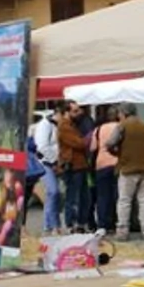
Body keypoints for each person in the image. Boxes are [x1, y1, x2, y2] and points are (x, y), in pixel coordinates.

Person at [106, 102, 144, 241]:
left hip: (127, 168)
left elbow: (110, 143)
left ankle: (123, 232)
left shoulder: (122, 126)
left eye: (119, 113)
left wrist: (116, 153)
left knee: (124, 201)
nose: (118, 116)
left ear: (123, 113)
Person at [57, 100, 92, 233]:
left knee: (84, 196)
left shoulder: (72, 124)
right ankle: (71, 224)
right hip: (72, 166)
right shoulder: (65, 126)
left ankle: (80, 223)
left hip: (80, 165)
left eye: (78, 110)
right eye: (75, 111)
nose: (79, 113)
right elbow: (79, 143)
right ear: (67, 112)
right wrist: (88, 139)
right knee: (74, 196)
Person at [32, 105, 63, 235]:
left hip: (52, 162)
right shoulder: (45, 125)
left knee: (54, 194)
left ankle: (52, 225)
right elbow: (42, 146)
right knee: (53, 191)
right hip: (45, 162)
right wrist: (54, 160)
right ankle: (50, 225)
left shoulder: (54, 126)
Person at [90, 107, 120, 233]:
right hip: (118, 163)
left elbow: (92, 148)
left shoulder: (98, 129)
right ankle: (114, 222)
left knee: (102, 196)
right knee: (117, 195)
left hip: (101, 164)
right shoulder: (120, 127)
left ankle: (102, 224)